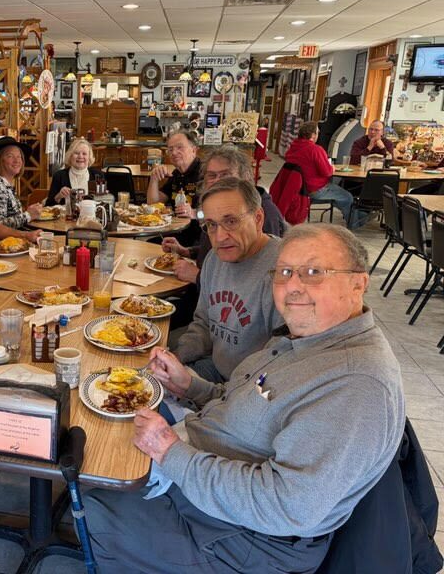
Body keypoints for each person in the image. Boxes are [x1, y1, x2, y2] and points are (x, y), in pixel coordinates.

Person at [84, 222, 404, 574]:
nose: (293, 286)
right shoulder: (306, 339)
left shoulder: (355, 385)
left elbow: (286, 506)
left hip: (245, 541)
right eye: (284, 272)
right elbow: (244, 405)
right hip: (207, 469)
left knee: (93, 491)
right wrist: (189, 385)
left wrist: (170, 452)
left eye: (313, 272)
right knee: (103, 423)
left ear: (358, 283)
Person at [172, 178, 282, 383]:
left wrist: (203, 393)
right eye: (212, 225)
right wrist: (176, 357)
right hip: (215, 369)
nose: (220, 237)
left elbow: (278, 369)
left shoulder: (285, 272)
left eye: (231, 221)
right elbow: (204, 323)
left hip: (253, 388)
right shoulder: (215, 259)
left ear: (258, 219)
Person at [163, 144, 286, 285]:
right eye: (212, 175)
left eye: (225, 175)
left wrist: (198, 276)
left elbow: (254, 285)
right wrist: (188, 252)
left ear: (245, 177)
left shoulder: (262, 215)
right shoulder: (217, 209)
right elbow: (221, 246)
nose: (217, 181)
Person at [285, 121, 368, 229]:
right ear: (313, 135)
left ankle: (361, 217)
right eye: (318, 133)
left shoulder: (293, 147)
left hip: (299, 189)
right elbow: (327, 172)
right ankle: (355, 222)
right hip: (315, 189)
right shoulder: (315, 150)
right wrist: (332, 168)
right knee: (347, 197)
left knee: (339, 197)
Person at [0, 136, 43, 227]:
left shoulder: (4, 183)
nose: (17, 160)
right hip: (1, 241)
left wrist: (30, 212)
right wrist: (28, 215)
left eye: (19, 156)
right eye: (10, 156)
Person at [146, 130, 202, 213]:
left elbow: (218, 210)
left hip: (199, 225)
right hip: (178, 224)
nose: (174, 153)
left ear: (194, 150)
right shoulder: (177, 173)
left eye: (180, 147)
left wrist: (195, 213)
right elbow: (153, 204)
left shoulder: (206, 172)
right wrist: (154, 178)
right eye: (170, 149)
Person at [45, 138, 102, 205]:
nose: (80, 156)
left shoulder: (98, 175)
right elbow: (48, 205)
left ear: (89, 157)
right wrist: (59, 196)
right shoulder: (59, 176)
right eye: (76, 153)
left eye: (84, 154)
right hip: (65, 215)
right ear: (70, 156)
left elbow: (104, 203)